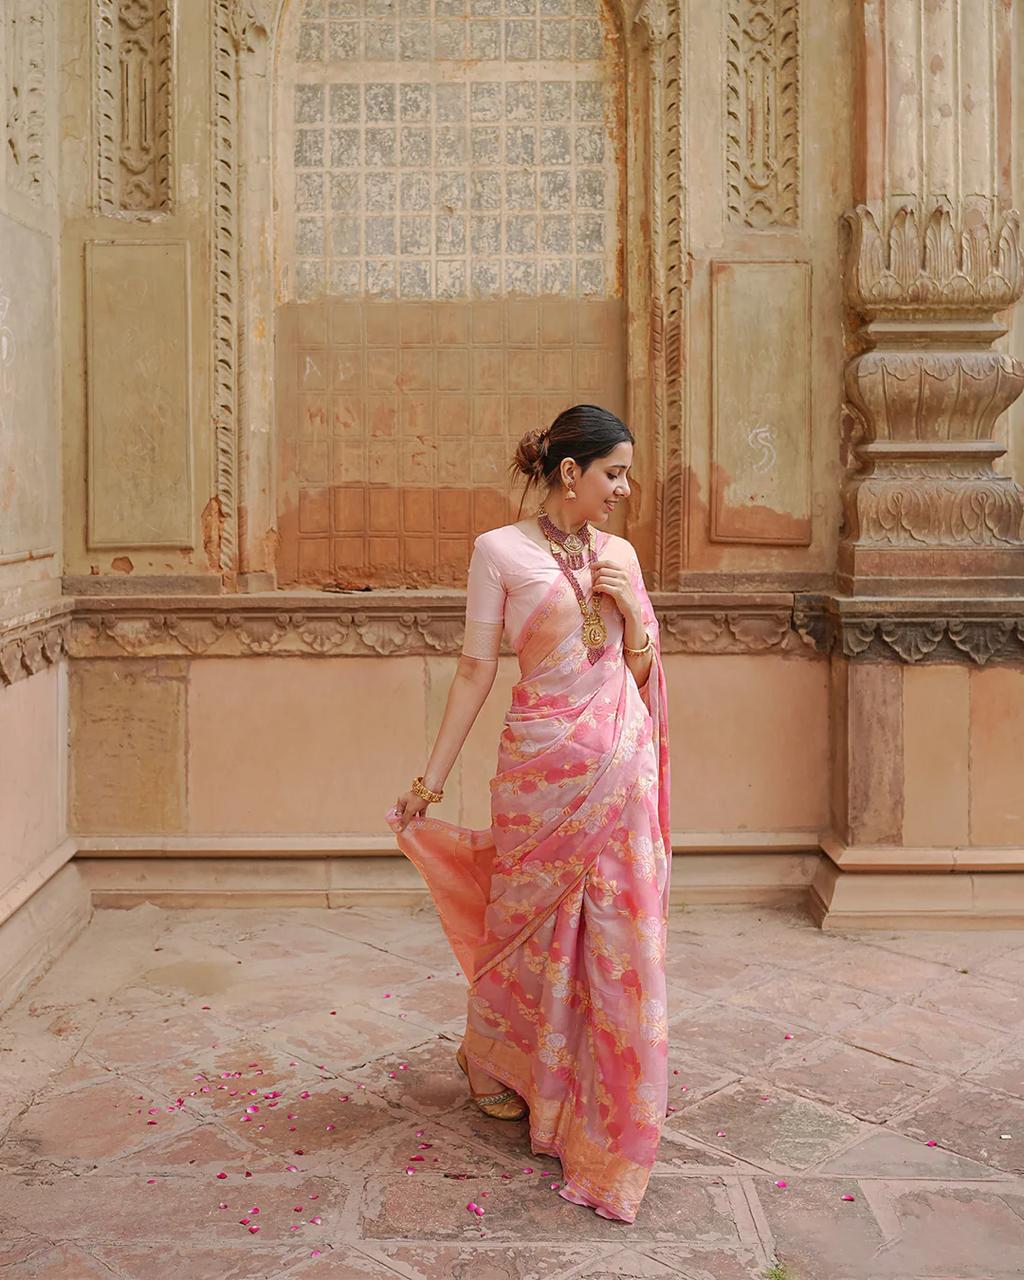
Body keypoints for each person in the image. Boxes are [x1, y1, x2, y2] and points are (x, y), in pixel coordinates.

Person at [386, 403, 671, 1224]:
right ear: (570, 472)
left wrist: (630, 611)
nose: (624, 489)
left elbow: (646, 670)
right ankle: (489, 1058)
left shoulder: (620, 555)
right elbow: (476, 669)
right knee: (523, 921)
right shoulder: (498, 552)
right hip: (541, 771)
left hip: (621, 773)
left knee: (618, 936)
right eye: (613, 473)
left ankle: (586, 1084)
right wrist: (430, 782)